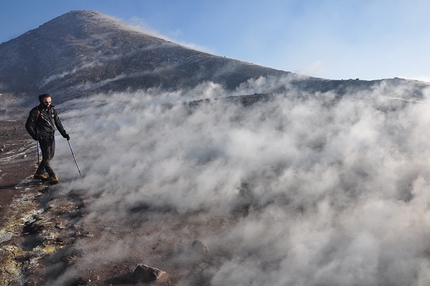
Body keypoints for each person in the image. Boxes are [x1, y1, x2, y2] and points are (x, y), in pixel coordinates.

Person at [25, 94, 70, 184]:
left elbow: (58, 123)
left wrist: (64, 134)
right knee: (47, 157)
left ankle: (39, 173)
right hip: (42, 136)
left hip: (51, 136)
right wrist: (35, 135)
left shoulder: (52, 111)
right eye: (46, 102)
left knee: (51, 156)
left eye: (49, 101)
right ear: (41, 101)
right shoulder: (36, 111)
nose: (48, 103)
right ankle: (52, 175)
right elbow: (28, 125)